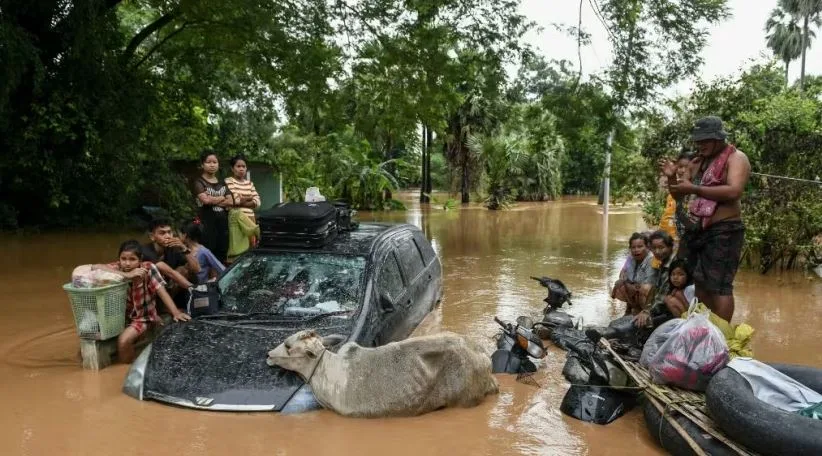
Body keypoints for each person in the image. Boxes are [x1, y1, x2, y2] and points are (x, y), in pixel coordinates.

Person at [662, 116, 751, 322]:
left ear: (718, 139)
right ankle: (704, 328)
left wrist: (694, 188)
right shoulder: (697, 162)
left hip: (725, 230)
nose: (700, 145)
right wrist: (671, 177)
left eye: (705, 141)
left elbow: (734, 192)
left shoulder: (736, 158)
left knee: (719, 286)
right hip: (698, 229)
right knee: (700, 282)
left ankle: (722, 336)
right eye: (698, 141)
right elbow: (679, 194)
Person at [92, 240, 190, 362]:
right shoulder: (118, 268)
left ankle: (126, 371)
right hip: (123, 317)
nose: (127, 263)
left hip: (143, 318)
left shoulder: (148, 268)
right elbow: (94, 267)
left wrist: (176, 313)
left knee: (123, 341)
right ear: (119, 259)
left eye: (132, 259)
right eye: (123, 259)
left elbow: (161, 291)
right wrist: (126, 275)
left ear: (140, 260)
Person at [194, 150, 234, 264]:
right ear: (202, 164)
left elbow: (231, 201)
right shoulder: (199, 182)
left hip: (223, 226)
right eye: (208, 162)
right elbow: (205, 201)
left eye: (215, 162)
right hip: (207, 225)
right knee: (208, 255)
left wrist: (213, 199)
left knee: (222, 254)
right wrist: (222, 198)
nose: (212, 165)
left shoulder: (222, 182)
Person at [142, 218, 199, 291]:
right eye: (162, 233)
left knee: (185, 269)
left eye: (169, 232)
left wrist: (184, 248)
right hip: (151, 289)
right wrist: (194, 288)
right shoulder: (146, 251)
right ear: (152, 237)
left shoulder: (173, 248)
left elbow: (197, 269)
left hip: (168, 285)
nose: (168, 236)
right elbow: (169, 272)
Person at [634, 230, 675, 328]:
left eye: (661, 247)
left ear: (670, 247)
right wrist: (646, 310)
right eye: (654, 248)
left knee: (638, 325)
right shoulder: (663, 263)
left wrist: (648, 312)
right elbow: (655, 288)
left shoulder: (672, 266)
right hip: (664, 306)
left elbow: (662, 296)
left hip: (673, 310)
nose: (657, 252)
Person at [611, 232, 655, 316]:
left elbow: (648, 286)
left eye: (640, 247)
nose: (636, 250)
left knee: (643, 290)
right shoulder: (630, 257)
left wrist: (633, 286)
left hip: (648, 293)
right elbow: (623, 272)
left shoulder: (651, 259)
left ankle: (645, 312)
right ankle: (630, 309)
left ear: (647, 247)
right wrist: (624, 281)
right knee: (619, 284)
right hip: (635, 286)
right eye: (633, 247)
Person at [180, 219, 225, 285]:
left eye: (180, 233)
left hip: (201, 287)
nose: (179, 236)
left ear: (185, 235)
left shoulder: (204, 251)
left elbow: (220, 268)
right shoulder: (182, 249)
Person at [224, 155, 261, 223]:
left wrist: (240, 202)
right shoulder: (228, 181)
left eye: (243, 166)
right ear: (232, 168)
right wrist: (250, 198)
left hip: (251, 218)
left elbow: (258, 202)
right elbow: (235, 199)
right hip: (236, 218)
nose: (241, 169)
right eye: (238, 166)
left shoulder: (250, 184)